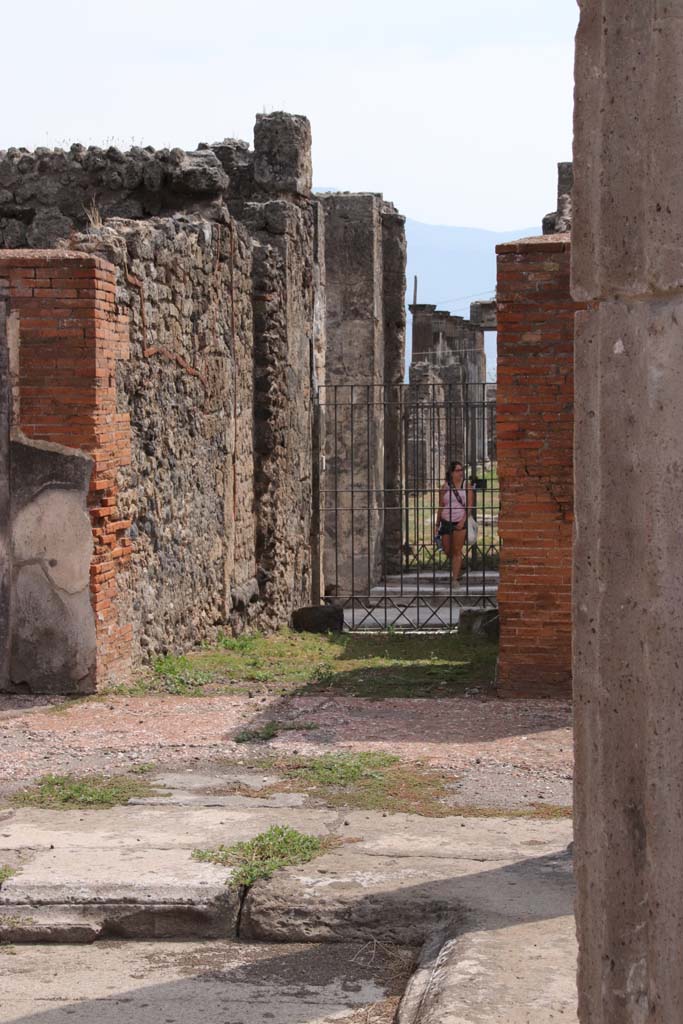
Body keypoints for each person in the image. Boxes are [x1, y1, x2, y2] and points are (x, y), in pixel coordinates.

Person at [435, 460, 472, 581]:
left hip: (459, 521)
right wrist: (437, 523)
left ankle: (455, 579)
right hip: (445, 521)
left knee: (457, 550)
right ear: (451, 473)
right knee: (447, 550)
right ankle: (460, 565)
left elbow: (469, 506)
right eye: (457, 470)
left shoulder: (467, 485)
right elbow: (441, 505)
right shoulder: (445, 487)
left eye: (461, 470)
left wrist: (463, 521)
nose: (460, 473)